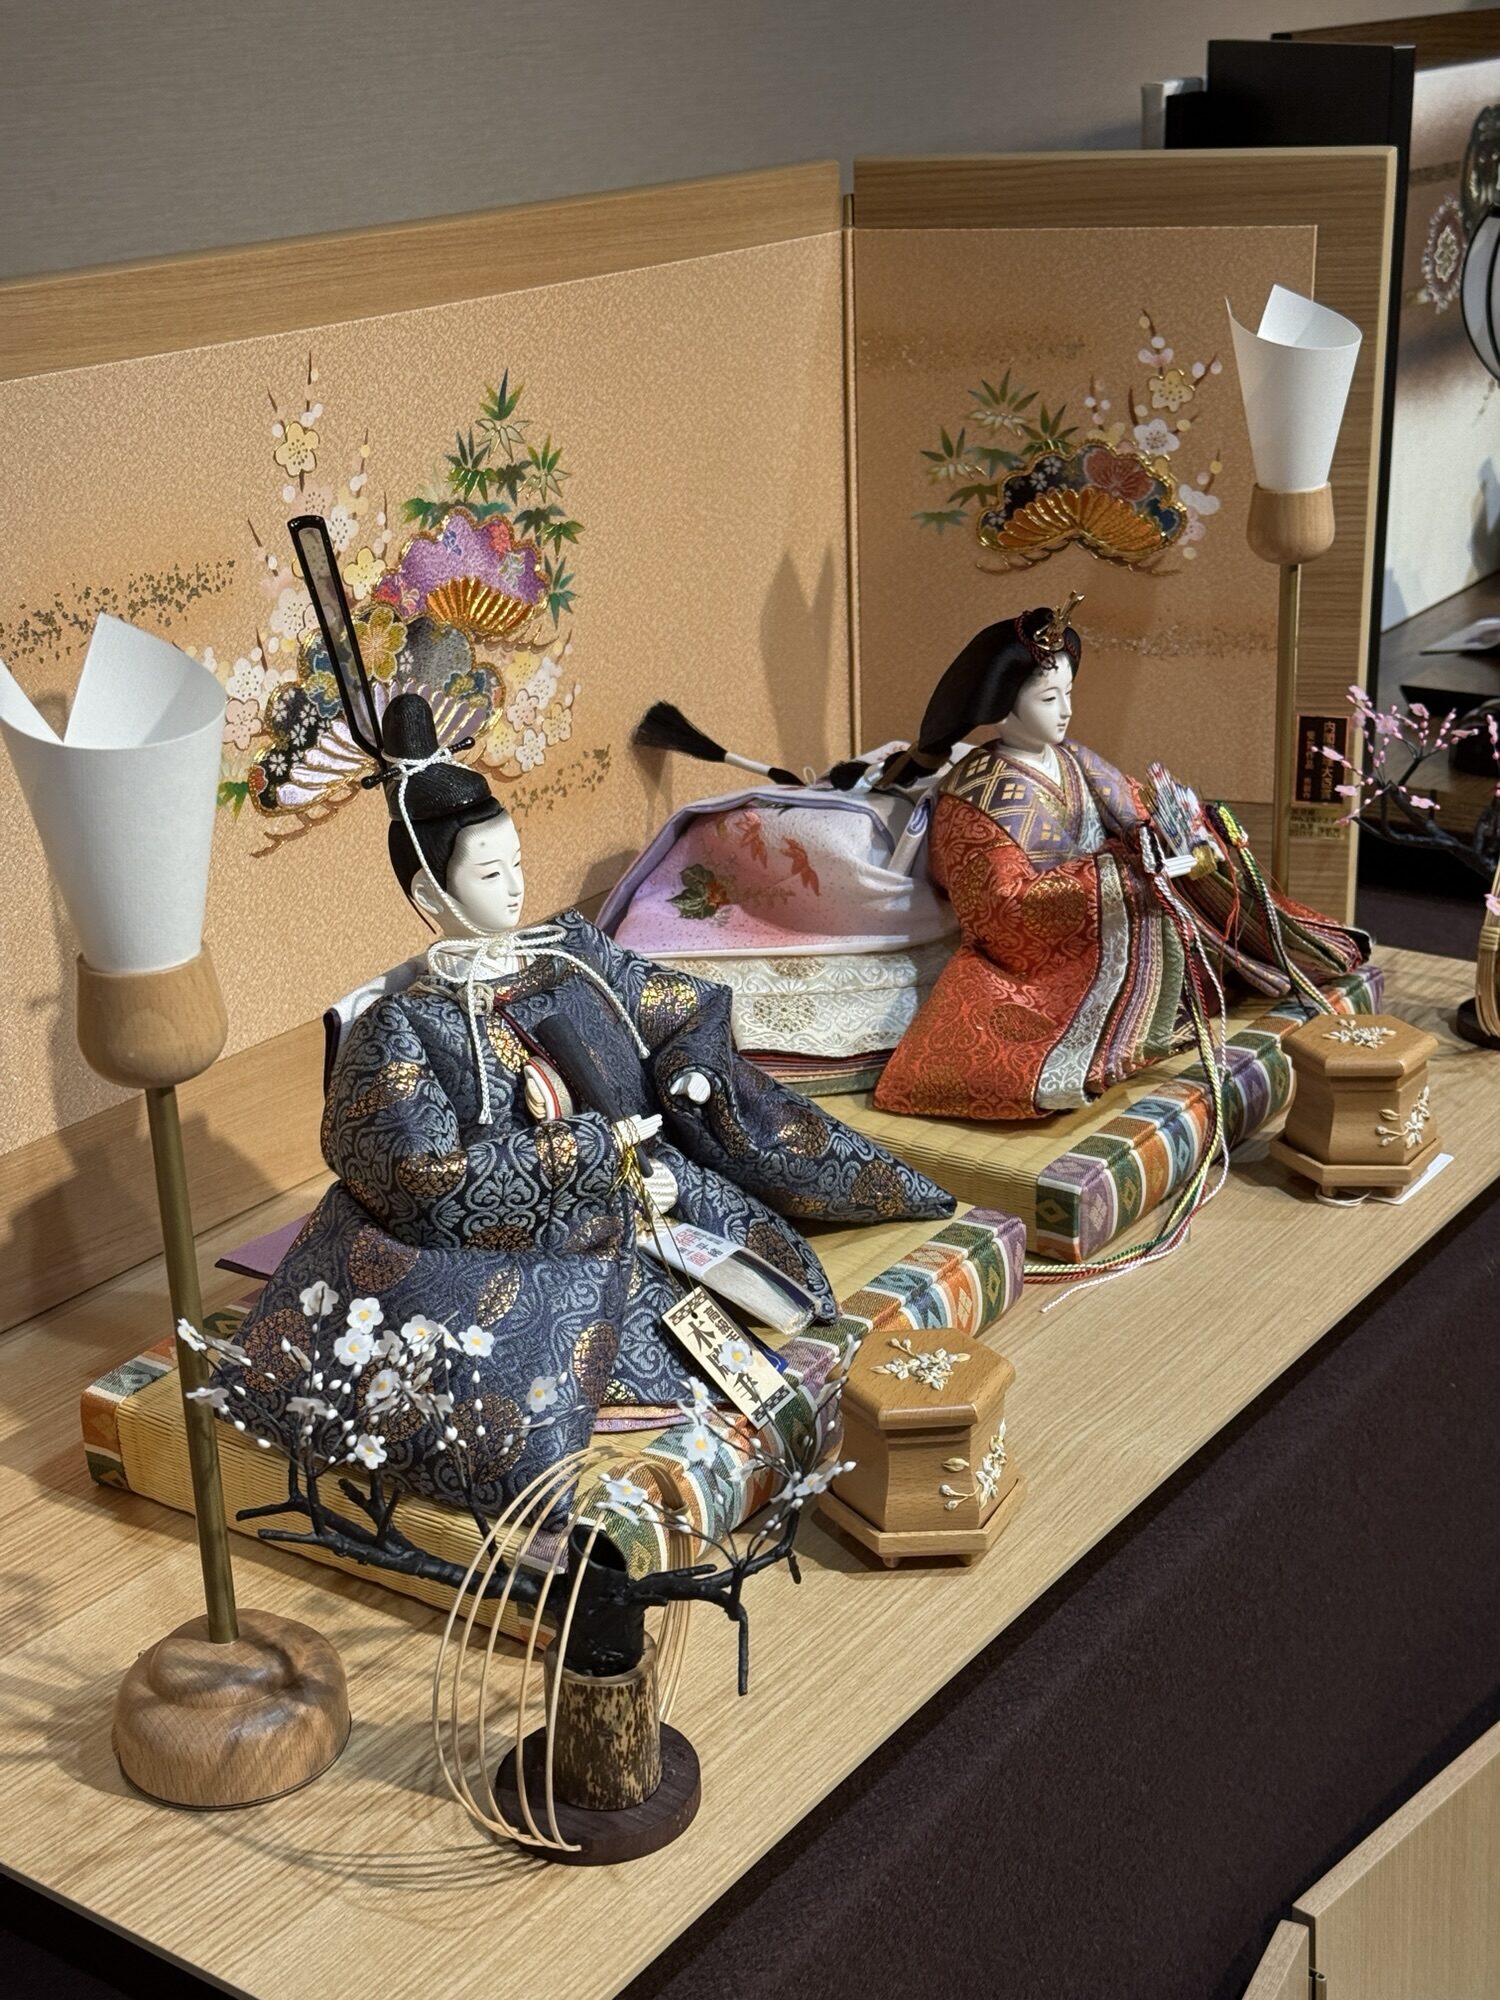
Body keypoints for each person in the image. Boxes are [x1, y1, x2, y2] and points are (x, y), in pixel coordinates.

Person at [874, 600, 1372, 1122]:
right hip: (1041, 960)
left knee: (1181, 906)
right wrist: (1118, 871)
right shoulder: (975, 795)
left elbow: (1137, 808)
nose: (1066, 710)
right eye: (1049, 698)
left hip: (1109, 921)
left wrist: (1186, 835)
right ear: (1001, 707)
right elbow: (1000, 909)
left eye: (1069, 693)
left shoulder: (1073, 758)